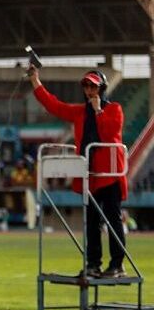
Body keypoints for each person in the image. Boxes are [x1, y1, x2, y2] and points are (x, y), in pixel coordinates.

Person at [29, 66, 127, 278]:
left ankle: (117, 264)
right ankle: (93, 264)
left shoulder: (114, 109)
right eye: (86, 86)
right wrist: (35, 81)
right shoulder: (79, 112)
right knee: (91, 221)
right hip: (90, 175)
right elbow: (54, 106)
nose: (89, 90)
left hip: (110, 174)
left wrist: (99, 110)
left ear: (102, 88)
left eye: (93, 86)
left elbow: (110, 132)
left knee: (113, 219)